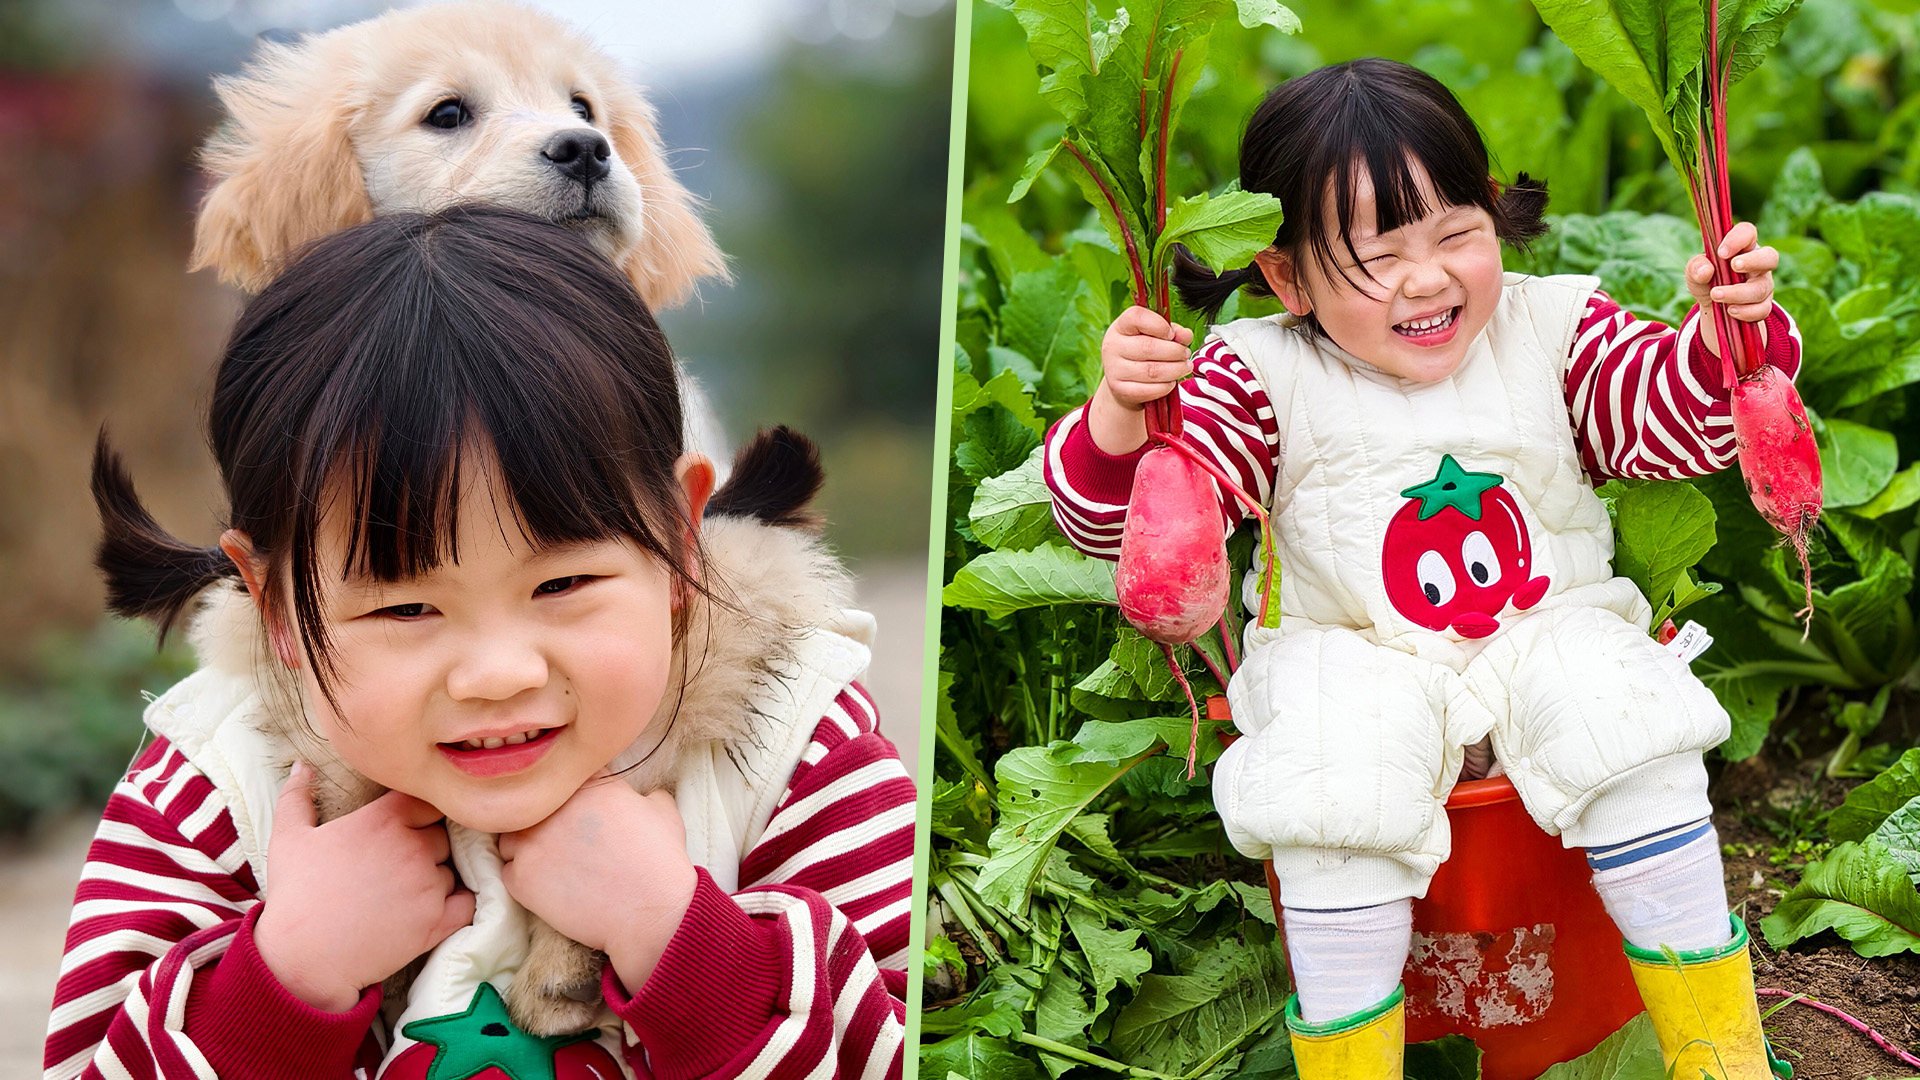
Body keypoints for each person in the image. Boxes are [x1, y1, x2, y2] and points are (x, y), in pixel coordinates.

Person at [1044, 59, 1798, 1080]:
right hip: (1350, 658)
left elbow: (1680, 422)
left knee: (1633, 724)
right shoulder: (1253, 373)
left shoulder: (1557, 328)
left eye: (1455, 234)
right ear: (1287, 278)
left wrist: (1730, 340)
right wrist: (1121, 417)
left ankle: (1720, 1056)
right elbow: (1128, 529)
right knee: (1325, 790)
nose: (1429, 278)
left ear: (1495, 215)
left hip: (1547, 631)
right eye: (1376, 258)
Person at [45, 206, 912, 1080]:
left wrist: (676, 935)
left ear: (682, 541)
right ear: (274, 604)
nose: (500, 675)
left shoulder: (786, 737)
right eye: (407, 611)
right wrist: (287, 977)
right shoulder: (216, 787)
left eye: (563, 585)